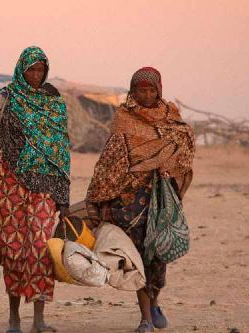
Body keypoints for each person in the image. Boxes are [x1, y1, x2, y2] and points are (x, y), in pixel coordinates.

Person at [85, 67, 195, 333]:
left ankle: (155, 302)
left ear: (159, 90)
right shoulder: (124, 119)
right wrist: (99, 200)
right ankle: (145, 317)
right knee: (137, 259)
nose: (146, 95)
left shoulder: (172, 120)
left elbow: (184, 155)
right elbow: (109, 163)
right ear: (132, 91)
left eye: (151, 90)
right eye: (140, 90)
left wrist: (168, 171)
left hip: (162, 202)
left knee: (158, 258)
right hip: (130, 202)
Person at [0, 46, 70, 333]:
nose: (35, 75)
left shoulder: (53, 104)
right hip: (8, 182)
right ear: (21, 69)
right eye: (31, 69)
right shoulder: (4, 101)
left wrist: (63, 197)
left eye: (40, 70)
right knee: (12, 251)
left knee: (41, 249)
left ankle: (39, 320)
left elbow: (62, 151)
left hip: (44, 185)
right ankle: (14, 319)